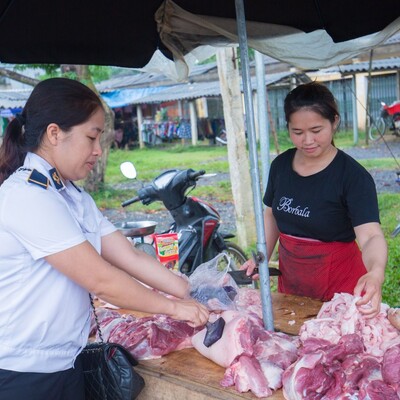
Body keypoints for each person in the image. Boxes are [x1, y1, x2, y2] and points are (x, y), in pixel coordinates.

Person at [0, 78, 209, 400]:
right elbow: (101, 280)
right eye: (91, 137)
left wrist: (196, 294)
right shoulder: (27, 196)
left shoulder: (71, 195)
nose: (98, 150)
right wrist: (174, 309)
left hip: (64, 362)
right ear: (54, 133)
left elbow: (131, 257)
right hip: (22, 372)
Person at [242, 81, 387, 319]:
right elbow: (271, 214)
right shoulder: (280, 166)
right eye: (297, 132)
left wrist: (376, 272)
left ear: (335, 122)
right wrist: (262, 257)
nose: (307, 140)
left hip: (341, 289)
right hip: (293, 286)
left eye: (316, 131)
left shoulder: (352, 176)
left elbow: (371, 235)